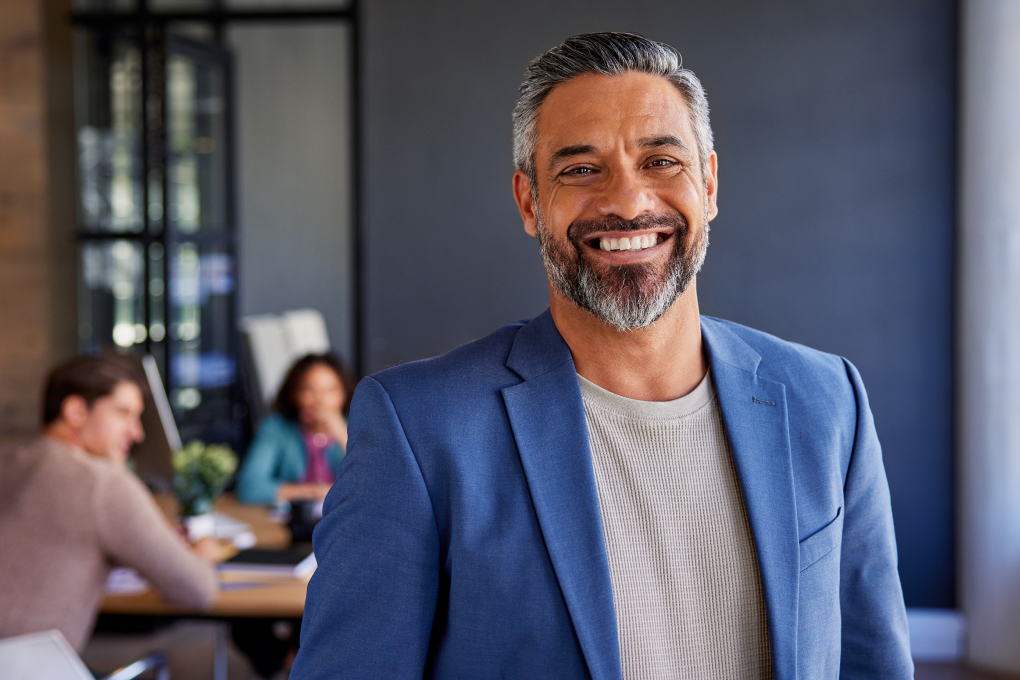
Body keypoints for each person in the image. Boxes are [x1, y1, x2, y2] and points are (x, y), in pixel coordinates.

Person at [291, 33, 913, 679]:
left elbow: (874, 663)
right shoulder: (418, 430)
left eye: (661, 161)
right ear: (530, 202)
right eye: (581, 169)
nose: (627, 202)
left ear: (709, 182)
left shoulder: (827, 400)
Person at [0, 355, 219, 652]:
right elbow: (198, 590)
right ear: (76, 411)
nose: (136, 432)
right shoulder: (103, 484)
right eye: (122, 413)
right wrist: (202, 553)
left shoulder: (8, 461)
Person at [236, 353, 353, 504]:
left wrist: (342, 433)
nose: (320, 401)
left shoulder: (359, 427)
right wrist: (316, 492)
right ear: (294, 394)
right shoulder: (276, 428)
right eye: (309, 390)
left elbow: (376, 485)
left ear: (344, 394)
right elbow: (250, 487)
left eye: (331, 390)